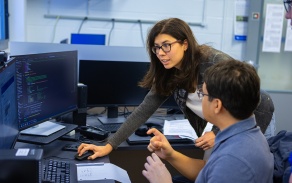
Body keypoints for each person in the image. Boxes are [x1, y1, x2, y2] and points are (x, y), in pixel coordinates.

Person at [77, 18, 274, 160]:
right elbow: (143, 111)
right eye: (156, 48)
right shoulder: (169, 71)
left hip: (255, 115)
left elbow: (253, 97)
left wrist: (216, 132)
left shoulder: (213, 63)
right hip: (221, 127)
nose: (161, 53)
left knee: (239, 166)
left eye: (166, 46)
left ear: (185, 44)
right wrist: (110, 144)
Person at [142, 59, 274, 183]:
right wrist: (171, 154)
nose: (201, 99)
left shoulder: (233, 160)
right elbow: (208, 171)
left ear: (217, 105)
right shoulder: (243, 135)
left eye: (203, 94)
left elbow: (222, 169)